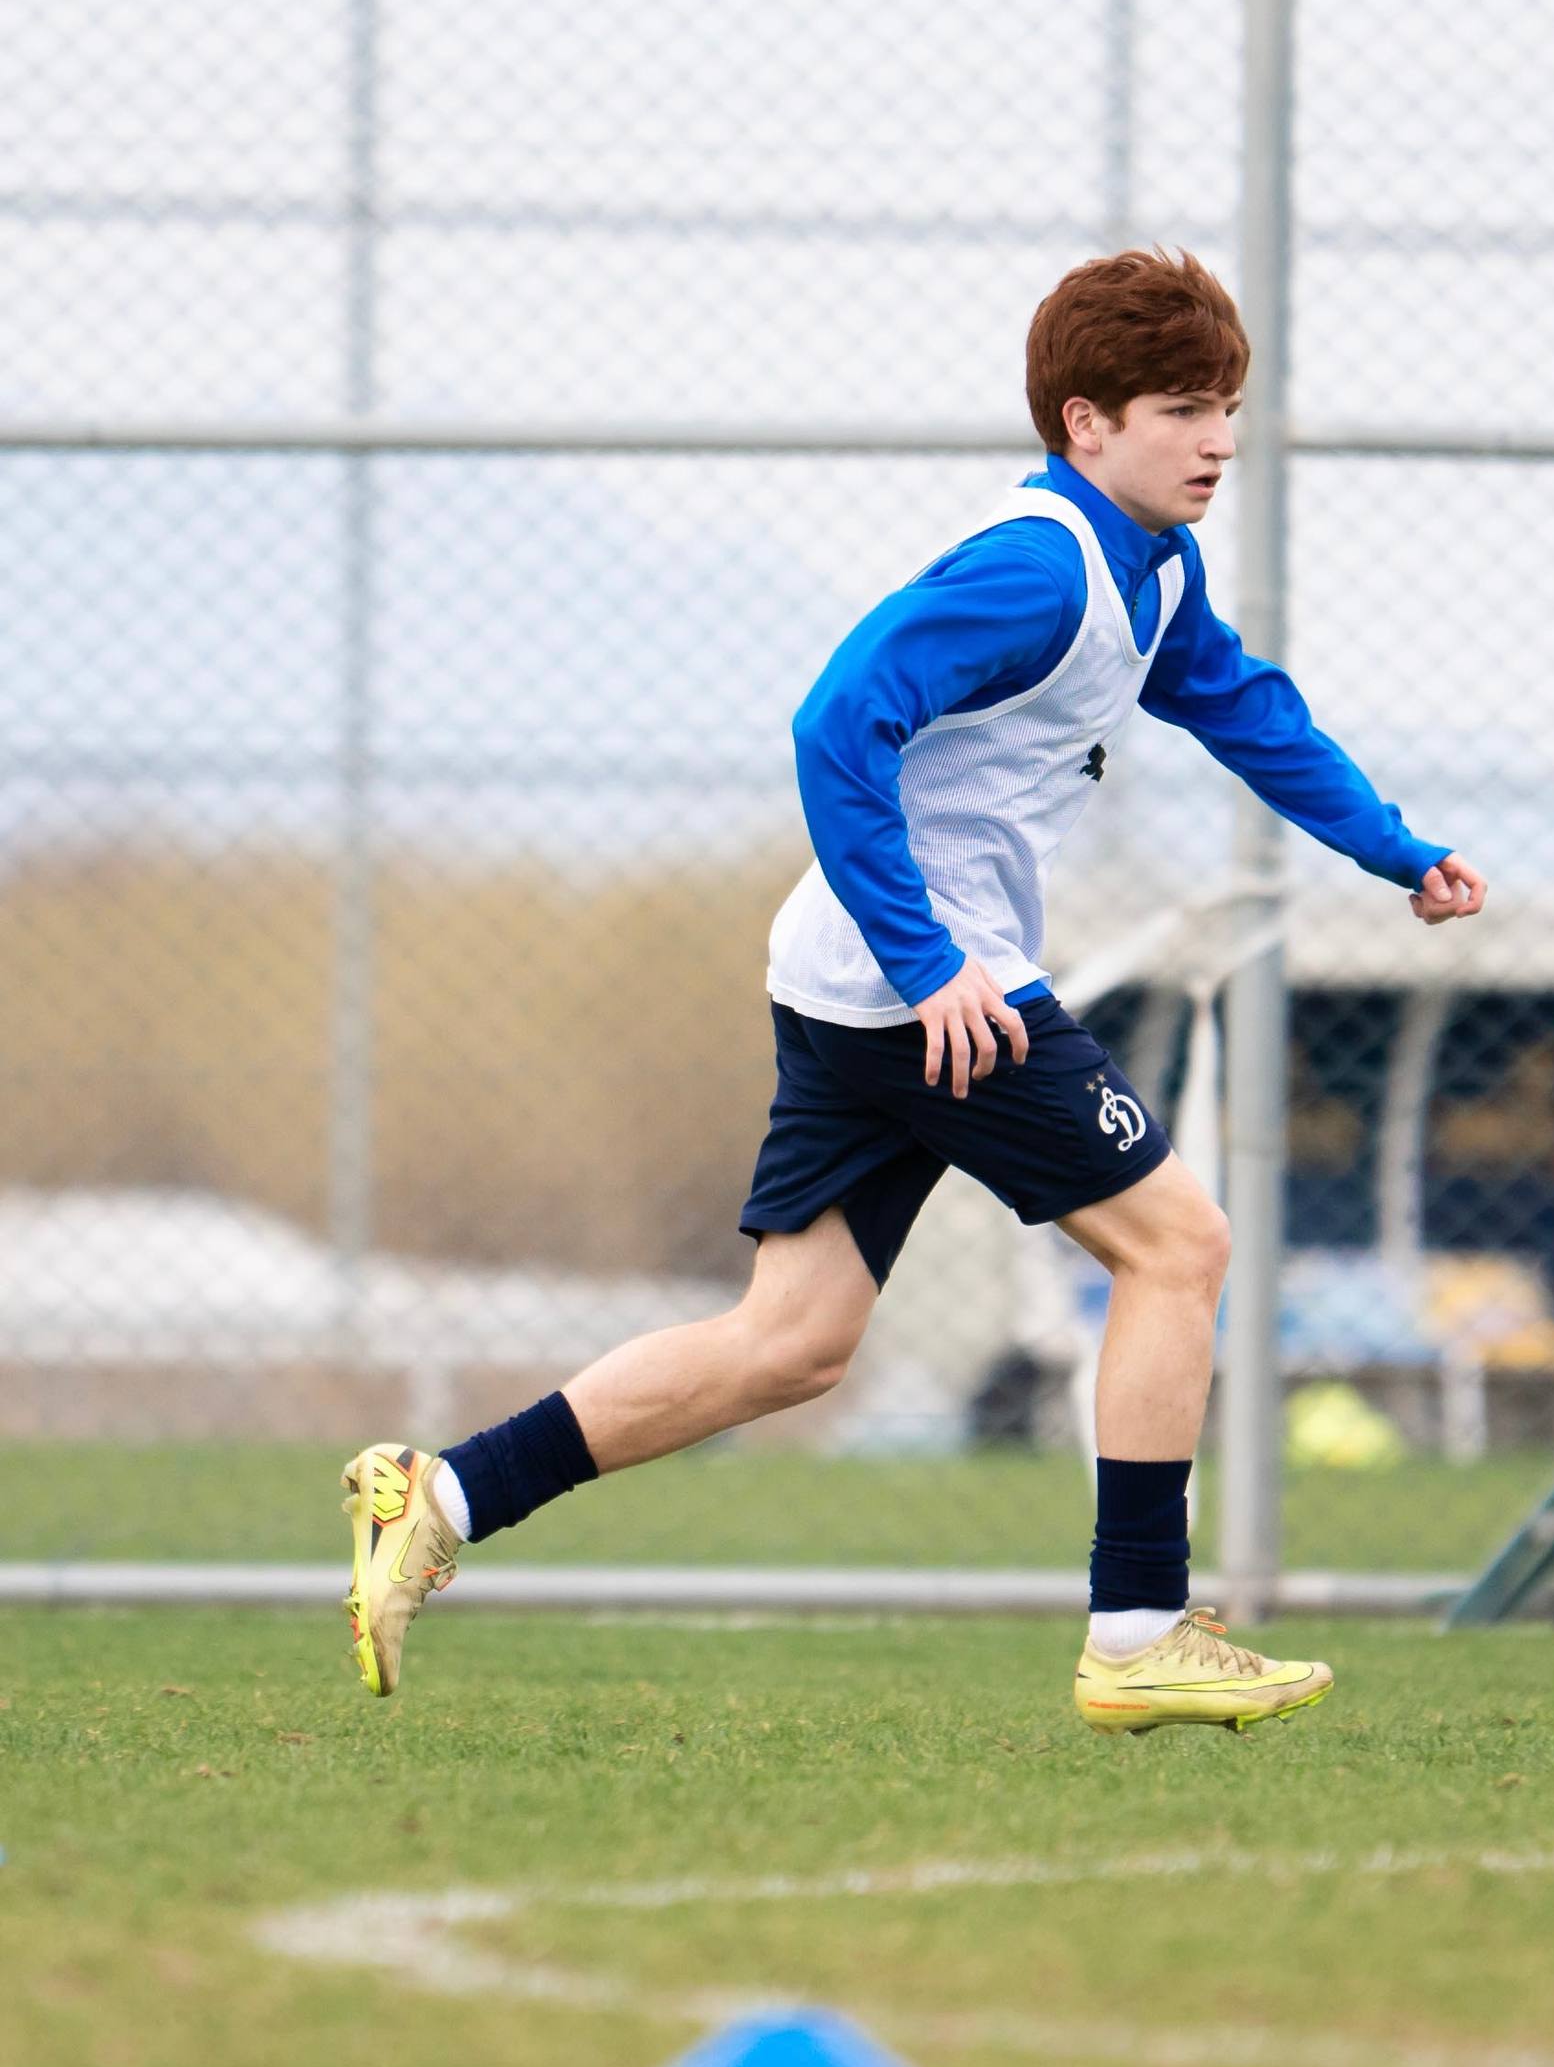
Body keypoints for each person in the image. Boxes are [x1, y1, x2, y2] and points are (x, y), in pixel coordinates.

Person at [342, 247, 1486, 1730]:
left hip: (851, 979)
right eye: (1182, 411)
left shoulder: (1153, 567)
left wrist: (1396, 850)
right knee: (1178, 1249)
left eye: (1228, 409)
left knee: (791, 1344)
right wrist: (932, 962)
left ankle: (438, 1499)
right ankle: (1139, 1630)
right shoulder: (1037, 570)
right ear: (1086, 424)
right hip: (928, 991)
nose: (1219, 442)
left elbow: (1243, 709)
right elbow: (837, 724)